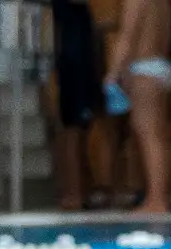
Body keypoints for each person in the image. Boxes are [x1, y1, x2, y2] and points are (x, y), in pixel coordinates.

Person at [106, 0, 171, 213]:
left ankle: (157, 199)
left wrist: (112, 74)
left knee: (149, 136)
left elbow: (127, 37)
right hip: (161, 66)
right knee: (157, 136)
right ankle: (158, 195)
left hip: (144, 68)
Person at [49, 0, 104, 211]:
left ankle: (76, 192)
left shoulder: (74, 11)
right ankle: (78, 191)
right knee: (73, 133)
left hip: (77, 71)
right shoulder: (72, 11)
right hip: (75, 70)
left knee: (74, 134)